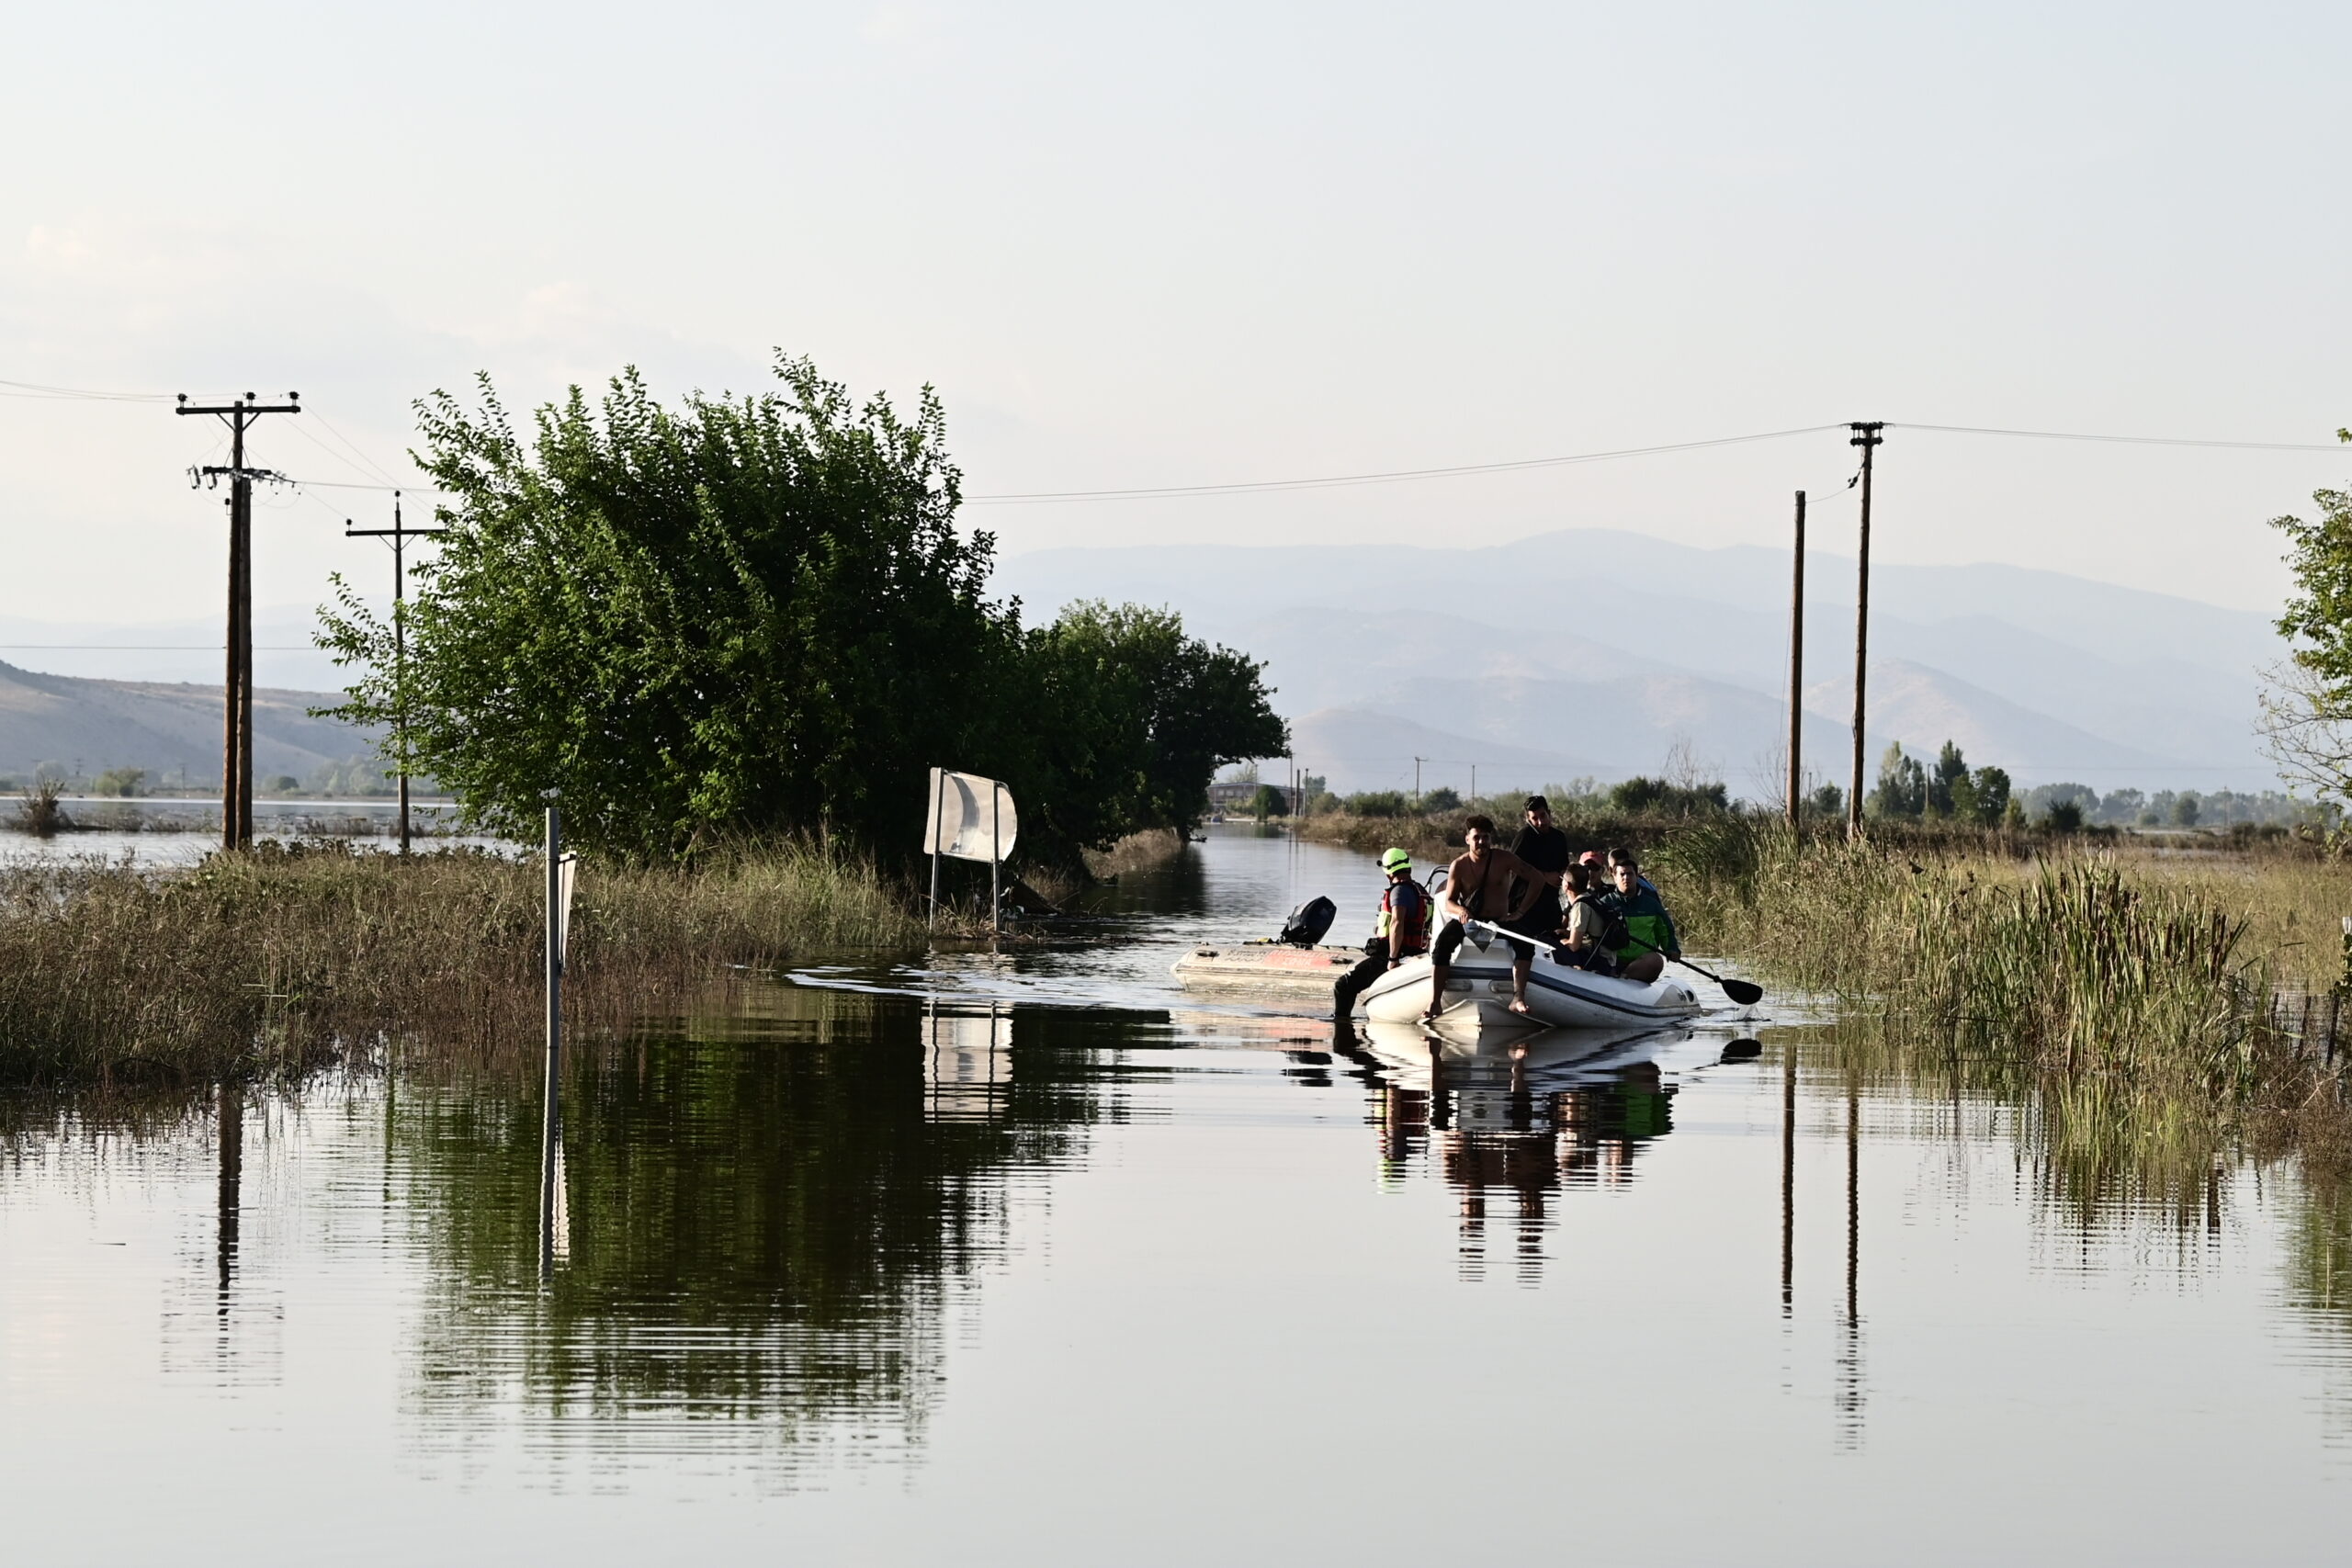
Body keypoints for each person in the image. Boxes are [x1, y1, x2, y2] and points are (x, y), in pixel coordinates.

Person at [1427, 815, 1552, 1020]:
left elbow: (1536, 879)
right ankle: (1435, 1003)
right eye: (1477, 837)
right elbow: (1449, 901)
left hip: (1500, 921)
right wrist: (1461, 911)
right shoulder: (1458, 865)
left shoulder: (1504, 859)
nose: (1482, 842)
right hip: (1471, 922)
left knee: (1526, 946)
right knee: (1442, 945)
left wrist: (1520, 912)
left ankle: (1518, 998)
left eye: (1486, 837)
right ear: (1467, 839)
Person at [1334, 847, 1430, 1032]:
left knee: (1343, 986)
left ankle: (1342, 1030)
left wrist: (1393, 959)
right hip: (1416, 953)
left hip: (1393, 955)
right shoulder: (1420, 891)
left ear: (1388, 872)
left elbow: (1396, 922)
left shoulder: (1399, 891)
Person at [1600, 850, 1679, 983]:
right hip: (1613, 961)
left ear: (1637, 876)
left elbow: (1665, 930)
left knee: (1656, 960)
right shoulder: (1604, 903)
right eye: (1622, 874)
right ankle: (1617, 979)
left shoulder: (1651, 905)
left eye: (1630, 874)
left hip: (1642, 963)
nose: (1626, 878)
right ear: (1614, 876)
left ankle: (1622, 979)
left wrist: (1671, 949)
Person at [1509, 795, 1569, 942]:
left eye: (1543, 815)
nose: (1541, 822)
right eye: (1535, 818)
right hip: (1525, 905)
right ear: (1528, 819)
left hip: (1551, 902)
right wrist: (1543, 876)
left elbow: (1565, 865)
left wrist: (1561, 876)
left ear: (1549, 813)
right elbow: (1512, 867)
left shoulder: (1558, 837)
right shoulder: (1524, 837)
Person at [1555, 862, 1624, 975]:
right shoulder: (1591, 899)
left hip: (1599, 960)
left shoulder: (1580, 906)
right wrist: (1566, 933)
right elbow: (1590, 933)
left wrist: (1561, 941)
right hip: (1607, 958)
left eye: (1563, 879)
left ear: (1567, 885)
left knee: (1553, 944)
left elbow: (1573, 946)